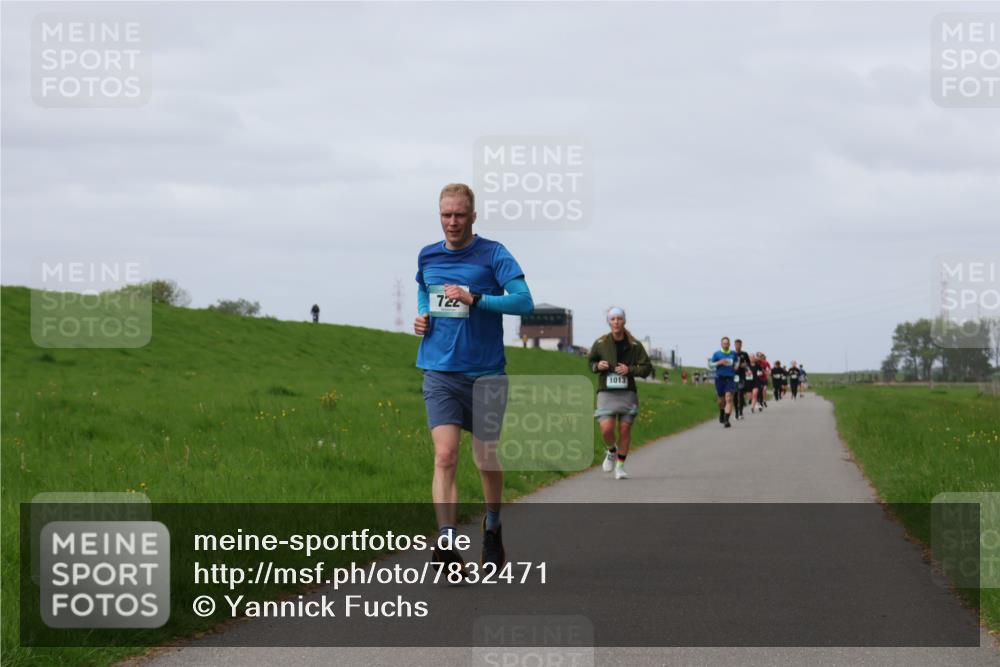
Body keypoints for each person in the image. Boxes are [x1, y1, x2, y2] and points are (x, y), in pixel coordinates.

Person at [414, 183, 534, 570]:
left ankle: (493, 525)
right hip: (439, 371)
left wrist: (477, 299)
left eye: (459, 215)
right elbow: (424, 290)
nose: (452, 222)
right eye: (446, 215)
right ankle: (447, 542)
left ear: (473, 216)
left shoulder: (493, 254)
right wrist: (423, 317)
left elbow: (524, 302)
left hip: (486, 375)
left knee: (485, 459)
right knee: (445, 456)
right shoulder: (428, 255)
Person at [589, 307, 652, 480]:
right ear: (608, 322)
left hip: (627, 393)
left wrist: (629, 369)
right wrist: (597, 366)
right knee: (607, 429)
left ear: (624, 321)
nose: (616, 322)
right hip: (606, 392)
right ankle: (611, 450)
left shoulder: (635, 345)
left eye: (619, 318)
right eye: (613, 319)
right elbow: (591, 362)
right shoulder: (600, 343)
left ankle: (620, 467)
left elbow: (647, 368)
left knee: (625, 430)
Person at [709, 336, 738, 428]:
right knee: (721, 401)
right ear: (721, 344)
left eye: (727, 343)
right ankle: (722, 411)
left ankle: (726, 420)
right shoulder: (717, 354)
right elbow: (710, 365)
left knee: (728, 398)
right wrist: (719, 363)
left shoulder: (733, 354)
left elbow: (737, 361)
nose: (725, 344)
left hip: (730, 378)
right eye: (724, 343)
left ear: (729, 344)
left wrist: (736, 366)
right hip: (719, 379)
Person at [732, 338, 752, 420]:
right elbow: (729, 363)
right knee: (735, 394)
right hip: (733, 376)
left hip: (741, 376)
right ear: (734, 345)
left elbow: (748, 364)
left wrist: (745, 366)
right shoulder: (732, 354)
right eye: (736, 344)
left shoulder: (744, 354)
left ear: (741, 345)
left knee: (740, 393)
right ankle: (736, 412)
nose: (738, 346)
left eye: (739, 344)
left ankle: (741, 412)